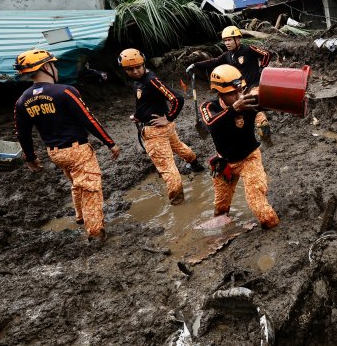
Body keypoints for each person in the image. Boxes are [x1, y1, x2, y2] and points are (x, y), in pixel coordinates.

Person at [13, 49, 120, 241]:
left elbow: (22, 133)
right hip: (77, 149)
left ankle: (80, 217)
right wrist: (109, 143)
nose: (55, 68)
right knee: (91, 189)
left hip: (55, 154)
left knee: (76, 183)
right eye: (53, 65)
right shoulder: (65, 91)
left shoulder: (22, 100)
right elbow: (89, 120)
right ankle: (95, 232)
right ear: (45, 66)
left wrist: (30, 158)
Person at [120, 48, 204, 205]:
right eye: (130, 69)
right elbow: (147, 101)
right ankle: (196, 165)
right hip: (164, 128)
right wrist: (138, 116)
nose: (135, 71)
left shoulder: (150, 80)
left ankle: (178, 204)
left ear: (143, 64)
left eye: (138, 67)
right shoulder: (140, 81)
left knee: (168, 169)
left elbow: (177, 98)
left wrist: (169, 117)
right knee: (179, 147)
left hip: (155, 131)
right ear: (125, 70)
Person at [200, 64, 280, 229]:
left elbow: (278, 101)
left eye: (240, 90)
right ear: (220, 94)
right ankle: (224, 230)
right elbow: (211, 125)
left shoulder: (249, 102)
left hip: (249, 158)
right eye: (232, 93)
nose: (239, 96)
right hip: (224, 162)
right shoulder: (209, 107)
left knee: (260, 207)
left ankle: (273, 230)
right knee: (220, 207)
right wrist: (233, 110)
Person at [187, 25, 272, 140]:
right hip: (239, 89)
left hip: (254, 86)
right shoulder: (227, 55)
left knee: (254, 110)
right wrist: (195, 65)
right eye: (225, 41)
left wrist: (262, 68)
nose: (227, 43)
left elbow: (266, 54)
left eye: (229, 40)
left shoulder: (248, 49)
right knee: (237, 113)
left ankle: (266, 138)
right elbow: (214, 61)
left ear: (238, 39)